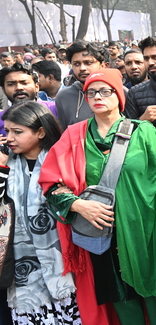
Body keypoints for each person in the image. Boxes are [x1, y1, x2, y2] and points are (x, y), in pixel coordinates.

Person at [38, 69, 156, 325]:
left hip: (142, 228)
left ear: (118, 95)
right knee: (119, 296)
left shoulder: (143, 131)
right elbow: (52, 184)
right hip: (99, 231)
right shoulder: (74, 135)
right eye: (91, 92)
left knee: (150, 291)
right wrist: (78, 205)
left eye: (104, 90)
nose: (97, 96)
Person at [0, 102, 81, 324]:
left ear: (41, 132)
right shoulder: (6, 161)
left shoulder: (63, 159)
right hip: (20, 262)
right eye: (7, 131)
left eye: (18, 132)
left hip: (60, 255)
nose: (10, 137)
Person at [124, 36, 156, 164]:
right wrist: (142, 121)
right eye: (146, 58)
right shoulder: (135, 93)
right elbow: (125, 133)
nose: (150, 62)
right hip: (151, 164)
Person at [55, 41, 108, 129]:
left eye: (88, 63)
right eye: (76, 64)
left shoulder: (119, 92)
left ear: (102, 65)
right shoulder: (63, 97)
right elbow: (63, 134)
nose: (82, 68)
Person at [0, 62, 59, 135]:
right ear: (4, 90)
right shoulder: (1, 118)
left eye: (24, 83)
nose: (19, 88)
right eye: (11, 84)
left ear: (37, 87)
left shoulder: (56, 109)